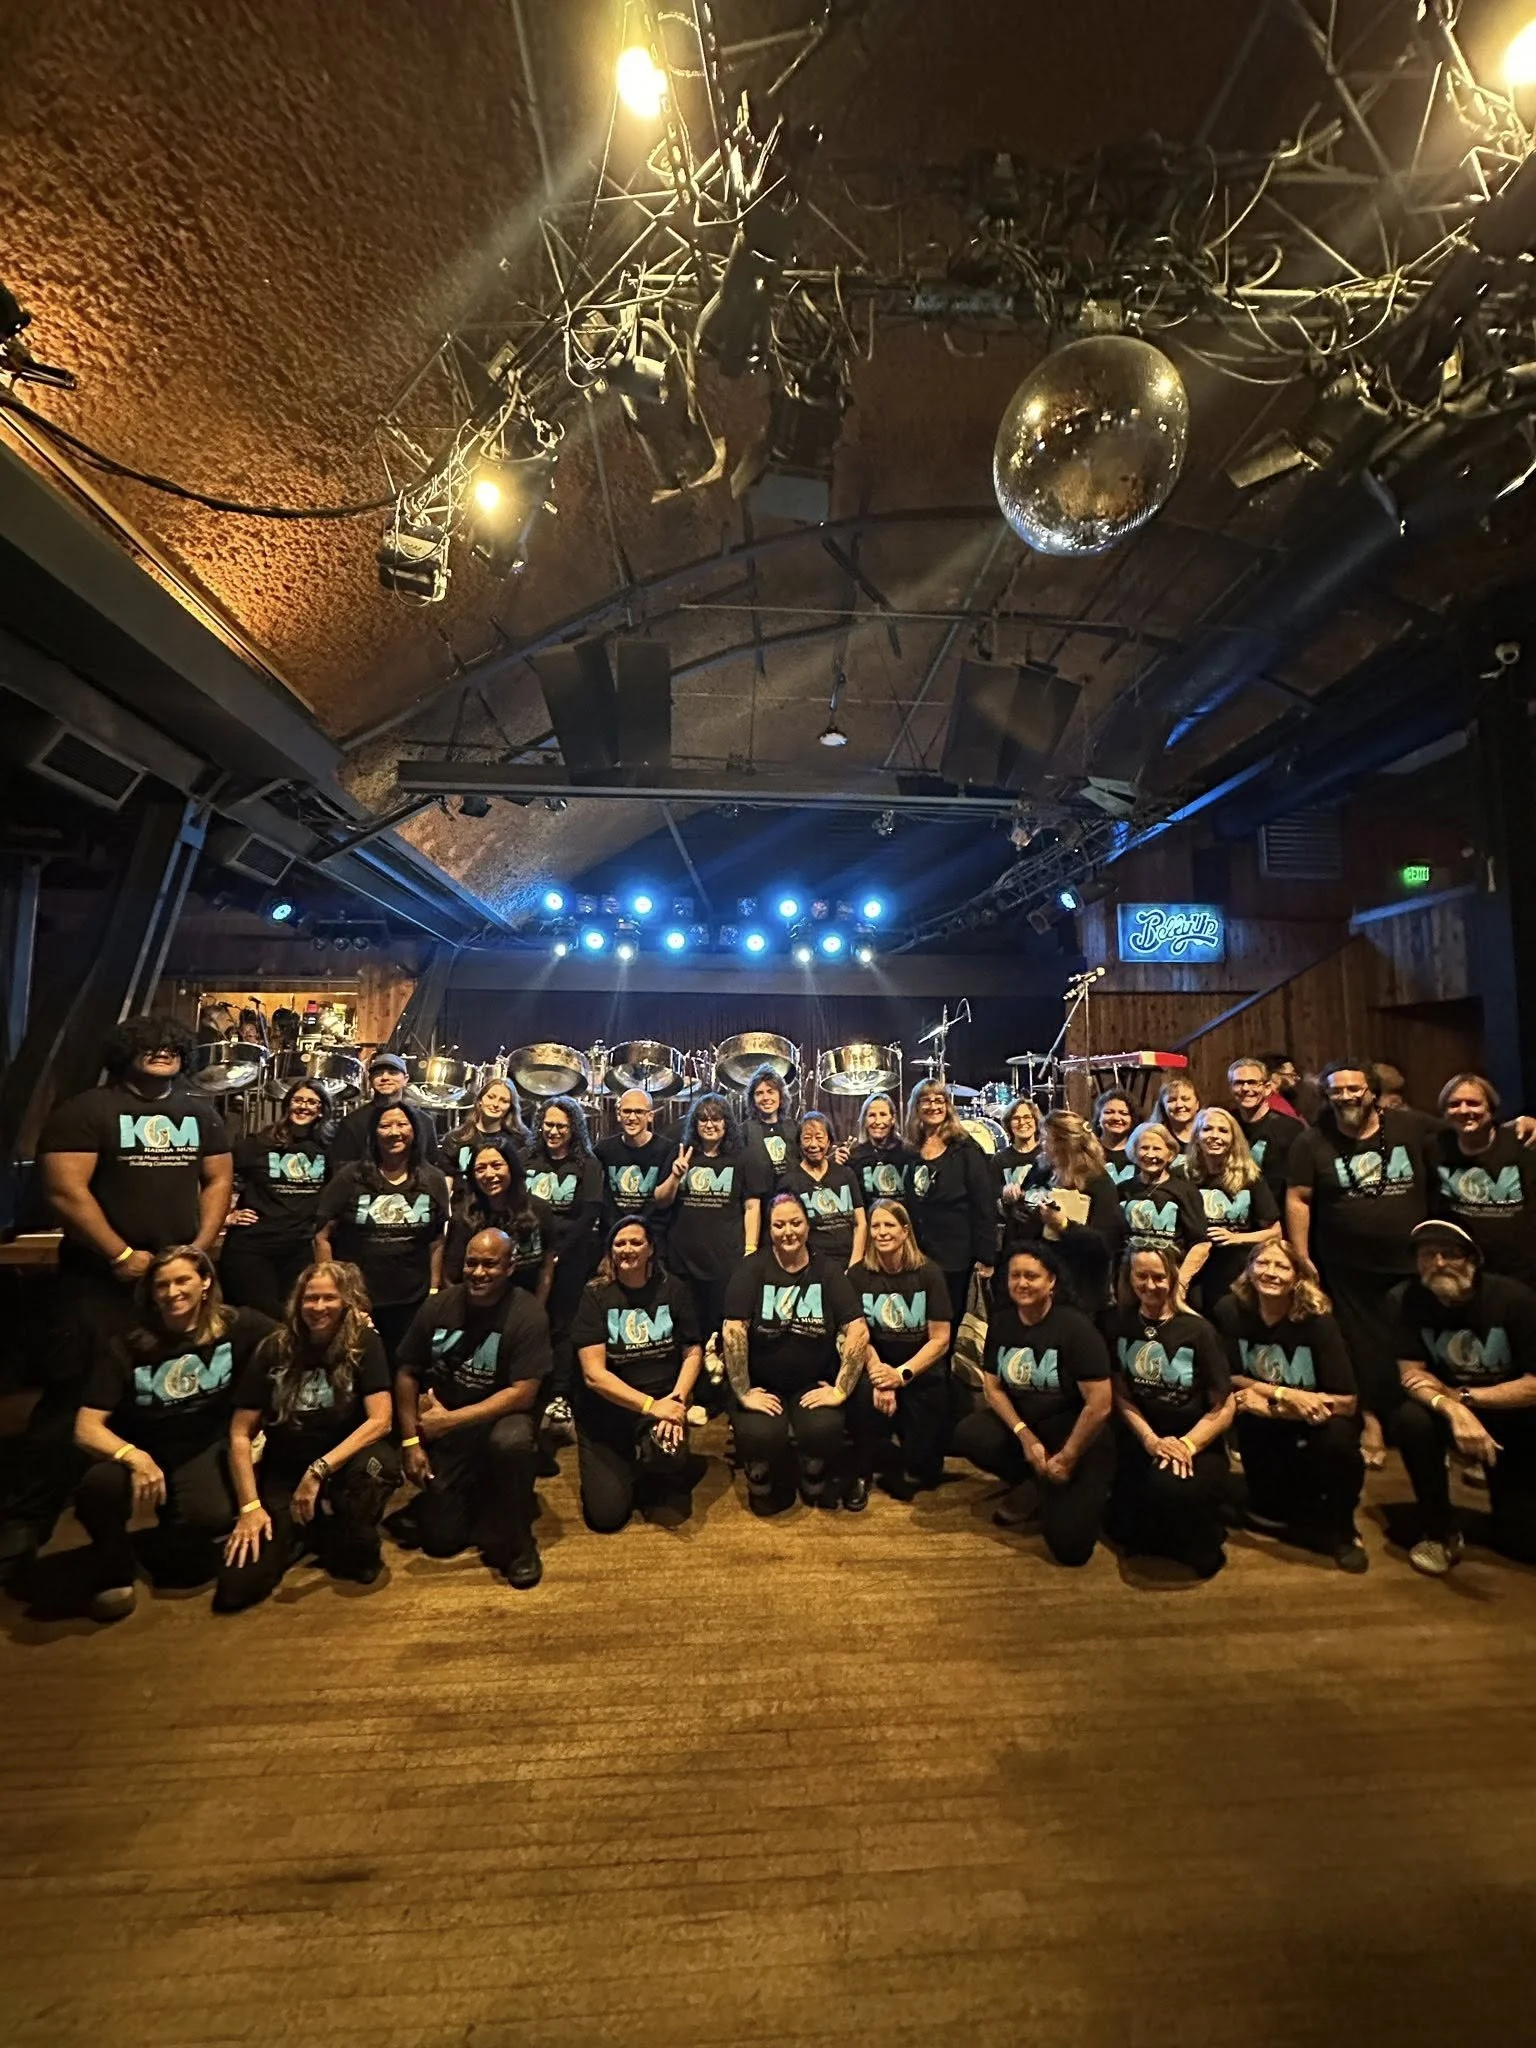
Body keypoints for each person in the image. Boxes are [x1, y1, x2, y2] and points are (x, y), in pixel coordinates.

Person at [0, 1013, 234, 1584]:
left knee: (182, 1378)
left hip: (178, 1276)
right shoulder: (88, 1110)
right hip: (102, 1279)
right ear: (124, 1052)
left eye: (172, 1046)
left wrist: (198, 1252)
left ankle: (169, 1497)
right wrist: (119, 1255)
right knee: (77, 1389)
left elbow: (218, 1182)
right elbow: (64, 1189)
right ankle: (26, 1519)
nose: (161, 1053)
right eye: (149, 1046)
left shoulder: (200, 1113)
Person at [71, 1247, 272, 1620]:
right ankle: (114, 1565)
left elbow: (293, 1337)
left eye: (183, 1280)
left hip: (202, 1447)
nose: (172, 1292)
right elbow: (86, 1427)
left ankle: (170, 1524)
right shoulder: (127, 1344)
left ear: (206, 1282)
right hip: (140, 1447)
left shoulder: (237, 1324)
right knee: (98, 1488)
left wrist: (354, 1321)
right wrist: (134, 1457)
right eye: (161, 1285)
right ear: (150, 1293)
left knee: (206, 1523)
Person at [216, 1261, 396, 1609]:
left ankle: (350, 1534)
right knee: (236, 1588)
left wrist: (319, 1470)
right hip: (286, 1471)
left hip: (344, 1463)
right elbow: (240, 1434)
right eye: (310, 1298)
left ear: (346, 1301)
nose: (318, 1307)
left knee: (378, 1470)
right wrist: (250, 1507)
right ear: (297, 1303)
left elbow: (381, 1421)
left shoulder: (363, 1342)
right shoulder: (274, 1349)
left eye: (329, 1298)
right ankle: (308, 1530)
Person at [1285, 1059, 1438, 1464]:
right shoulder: (1313, 1141)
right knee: (1361, 1348)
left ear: (1372, 1092)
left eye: (1355, 1089)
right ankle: (1371, 1420)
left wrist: (1522, 1124)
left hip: (1413, 1265)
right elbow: (1299, 1198)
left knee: (1420, 1345)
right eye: (1337, 1090)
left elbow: (1466, 1135)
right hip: (1346, 1268)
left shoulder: (1410, 1127)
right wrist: (1300, 1255)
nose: (1347, 1096)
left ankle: (1432, 1425)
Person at [394, 1228, 552, 1588]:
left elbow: (523, 1393)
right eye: (472, 1263)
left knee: (510, 1442)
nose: (478, 1272)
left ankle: (519, 1543)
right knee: (441, 1541)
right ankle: (478, 1494)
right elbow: (406, 1372)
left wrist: (448, 1421)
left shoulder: (527, 1313)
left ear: (510, 1267)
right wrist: (410, 1443)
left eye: (490, 1264)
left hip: (501, 1420)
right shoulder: (439, 1306)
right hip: (450, 1427)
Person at [952, 1243, 1115, 1565]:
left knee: (1071, 1551)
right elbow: (993, 1387)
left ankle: (1063, 1489)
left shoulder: (1075, 1327)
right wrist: (1025, 1435)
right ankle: (1036, 1482)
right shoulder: (1003, 1322)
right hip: (1031, 1428)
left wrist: (1067, 1457)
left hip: (1079, 1437)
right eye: (1015, 1276)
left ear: (1051, 1281)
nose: (1022, 1284)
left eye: (1032, 1276)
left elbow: (1100, 1405)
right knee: (971, 1434)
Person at [1392, 1219, 1536, 1576]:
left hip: (1516, 1413)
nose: (1438, 1263)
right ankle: (1439, 1528)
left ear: (1473, 1259)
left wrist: (1468, 1399)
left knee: (1523, 1541)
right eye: (1428, 1255)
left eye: (1450, 1254)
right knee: (1411, 1420)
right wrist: (1454, 1410)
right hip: (1450, 1408)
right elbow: (1411, 1373)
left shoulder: (1516, 1300)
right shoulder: (1406, 1300)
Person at [1212, 1241, 1366, 1571]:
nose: (1270, 1272)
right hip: (1262, 1410)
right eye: (1262, 1263)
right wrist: (1284, 1394)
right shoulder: (1230, 1309)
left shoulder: (1318, 1321)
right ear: (1249, 1270)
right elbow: (1230, 1375)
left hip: (1315, 1417)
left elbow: (1347, 1401)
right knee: (1240, 1411)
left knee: (1339, 1438)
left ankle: (1343, 1530)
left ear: (1297, 1276)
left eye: (1281, 1266)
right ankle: (1264, 1503)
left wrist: (1280, 1405)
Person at [722, 1191, 869, 1514]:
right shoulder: (752, 1269)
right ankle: (759, 1470)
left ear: (808, 1226)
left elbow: (857, 1329)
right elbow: (733, 1330)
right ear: (769, 1230)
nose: (788, 1231)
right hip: (762, 1383)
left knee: (824, 1428)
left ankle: (811, 1464)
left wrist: (841, 1389)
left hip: (811, 1382)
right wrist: (744, 1392)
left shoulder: (828, 1271)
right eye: (779, 1225)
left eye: (795, 1222)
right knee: (761, 1434)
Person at [1106, 1246, 1234, 1579]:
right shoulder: (1118, 1323)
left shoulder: (1198, 1330)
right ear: (1129, 1278)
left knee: (1173, 1488)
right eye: (1141, 1276)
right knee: (1121, 1528)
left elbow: (1225, 1405)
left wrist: (1187, 1446)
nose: (1150, 1285)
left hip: (1194, 1437)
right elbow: (1120, 1394)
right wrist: (1149, 1439)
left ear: (1173, 1278)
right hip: (1141, 1434)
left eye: (1159, 1277)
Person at [573, 1218, 704, 1532]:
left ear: (651, 1249)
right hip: (607, 1413)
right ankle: (623, 1464)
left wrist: (675, 1403)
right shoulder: (595, 1296)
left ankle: (653, 1461)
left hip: (661, 1403)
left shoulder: (673, 1289)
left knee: (668, 1459)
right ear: (610, 1251)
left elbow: (692, 1351)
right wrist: (650, 1406)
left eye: (635, 1242)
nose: (627, 1249)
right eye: (619, 1243)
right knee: (607, 1516)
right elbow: (593, 1375)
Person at [312, 1100, 451, 1360]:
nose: (394, 1132)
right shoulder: (350, 1176)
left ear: (415, 1131)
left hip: (411, 1299)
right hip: (357, 1299)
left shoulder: (433, 1179)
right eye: (385, 1125)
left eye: (401, 1124)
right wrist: (331, 1288)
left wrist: (433, 1289)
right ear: (374, 1134)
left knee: (404, 1367)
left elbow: (437, 1240)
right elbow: (322, 1236)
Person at [847, 1200, 953, 1501]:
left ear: (905, 1231)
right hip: (874, 1361)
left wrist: (901, 1375)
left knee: (923, 1473)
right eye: (876, 1226)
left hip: (917, 1365)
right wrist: (881, 1376)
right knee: (862, 1394)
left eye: (889, 1225)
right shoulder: (857, 1276)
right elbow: (858, 1334)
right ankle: (862, 1472)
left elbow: (940, 1339)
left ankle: (916, 1458)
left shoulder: (929, 1273)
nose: (882, 1232)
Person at [523, 1095, 605, 1438]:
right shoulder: (526, 1159)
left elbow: (589, 1214)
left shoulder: (588, 1164)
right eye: (549, 1124)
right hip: (528, 1257)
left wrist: (556, 1253)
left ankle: (560, 1394)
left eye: (562, 1126)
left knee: (563, 1326)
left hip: (570, 1259)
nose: (554, 1131)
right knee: (529, 1323)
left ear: (574, 1129)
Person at [221, 1080, 332, 1319]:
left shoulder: (326, 1148)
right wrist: (225, 1217)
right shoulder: (259, 1144)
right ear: (287, 1104)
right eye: (298, 1100)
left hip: (297, 1250)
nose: (304, 1107)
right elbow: (214, 1174)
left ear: (321, 1110)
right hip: (252, 1249)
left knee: (292, 1320)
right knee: (260, 1321)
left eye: (312, 1102)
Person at [663, 1093, 768, 1344]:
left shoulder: (742, 1158)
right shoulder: (682, 1154)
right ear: (695, 1124)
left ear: (727, 1123)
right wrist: (675, 1176)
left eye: (716, 1118)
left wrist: (750, 1250)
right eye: (703, 1119)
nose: (710, 1125)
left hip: (725, 1260)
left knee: (720, 1329)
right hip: (683, 1262)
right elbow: (660, 1200)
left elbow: (752, 1206)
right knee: (687, 1330)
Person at [998, 1111, 1124, 1314]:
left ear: (1064, 1143)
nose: (1042, 1143)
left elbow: (1106, 1244)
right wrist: (1014, 1206)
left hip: (1077, 1288)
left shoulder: (1099, 1183)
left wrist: (1065, 1226)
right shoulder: (1041, 1171)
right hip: (1037, 1282)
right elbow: (1026, 1212)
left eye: (1046, 1138)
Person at [905, 1079, 996, 1337]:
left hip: (956, 1254)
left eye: (939, 1100)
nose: (933, 1106)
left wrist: (986, 1257)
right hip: (921, 1253)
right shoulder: (911, 1149)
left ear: (948, 1106)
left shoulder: (965, 1148)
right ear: (916, 1107)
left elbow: (983, 1203)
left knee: (950, 1322)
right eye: (926, 1100)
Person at [1431, 1073, 1536, 1285]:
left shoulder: (1523, 1144)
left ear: (1491, 1108)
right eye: (1454, 1104)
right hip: (1465, 1273)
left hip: (1522, 1273)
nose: (1464, 1110)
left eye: (1473, 1103)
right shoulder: (1434, 1147)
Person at [1182, 1107, 1281, 1304]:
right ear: (1197, 1137)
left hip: (1236, 1271)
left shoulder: (1250, 1178)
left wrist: (1236, 1238)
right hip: (1194, 1273)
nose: (1215, 1136)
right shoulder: (1182, 1175)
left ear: (1234, 1139)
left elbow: (1275, 1232)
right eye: (1207, 1129)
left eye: (1223, 1130)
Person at [443, 1140, 554, 1300]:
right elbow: (449, 1276)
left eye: (496, 1166)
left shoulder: (539, 1210)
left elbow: (546, 1265)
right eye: (480, 1169)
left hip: (528, 1308)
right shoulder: (463, 1217)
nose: (489, 1174)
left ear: (512, 1168)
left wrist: (538, 1308)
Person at [1118, 1122, 1209, 1297]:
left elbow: (1201, 1243)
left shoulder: (1186, 1191)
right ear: (1134, 1152)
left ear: (1170, 1154)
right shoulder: (1123, 1190)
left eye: (1157, 1149)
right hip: (1132, 1282)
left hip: (1172, 1281)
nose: (1150, 1155)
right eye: (1144, 1148)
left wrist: (1181, 1282)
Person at [780, 1111, 866, 1267]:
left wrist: (855, 1265)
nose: (813, 1144)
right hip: (812, 1266)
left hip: (850, 1263)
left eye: (819, 1138)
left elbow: (860, 1223)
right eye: (807, 1138)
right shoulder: (789, 1182)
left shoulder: (846, 1175)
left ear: (829, 1142)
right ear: (799, 1143)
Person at [595, 1088, 684, 1232]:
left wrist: (676, 1176)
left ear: (650, 1116)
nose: (631, 1117)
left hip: (653, 1235)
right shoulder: (604, 1149)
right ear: (618, 1115)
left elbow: (664, 1202)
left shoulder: (667, 1149)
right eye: (627, 1111)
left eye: (639, 1112)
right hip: (613, 1236)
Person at [328, 1053, 439, 1166]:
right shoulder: (352, 1123)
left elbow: (432, 1165)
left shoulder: (424, 1121)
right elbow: (341, 1169)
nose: (385, 1077)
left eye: (393, 1072)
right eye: (378, 1073)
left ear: (406, 1079)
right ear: (370, 1080)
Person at [1226, 1054, 1301, 1208]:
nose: (1246, 1089)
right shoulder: (1224, 1124)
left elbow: (1299, 1184)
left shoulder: (1290, 1128)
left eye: (1253, 1083)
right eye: (1238, 1083)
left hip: (1277, 1217)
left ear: (1267, 1088)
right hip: (1234, 1215)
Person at [443, 1078, 530, 1185]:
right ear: (479, 1100)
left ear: (510, 1107)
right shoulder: (455, 1138)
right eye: (491, 1097)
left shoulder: (521, 1140)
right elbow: (447, 1177)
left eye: (504, 1101)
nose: (496, 1104)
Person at [843, 1092, 921, 1207]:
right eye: (872, 1115)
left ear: (893, 1119)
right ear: (864, 1120)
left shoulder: (909, 1153)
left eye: (883, 1114)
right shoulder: (854, 1158)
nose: (878, 1121)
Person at [742, 1064, 795, 1180]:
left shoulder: (794, 1127)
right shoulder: (743, 1131)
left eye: (770, 1092)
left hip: (791, 1195)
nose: (766, 1098)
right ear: (753, 1099)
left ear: (780, 1096)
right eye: (759, 1093)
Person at [995, 1098, 1042, 1202]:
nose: (1022, 1122)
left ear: (1036, 1121)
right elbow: (990, 1192)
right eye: (1016, 1118)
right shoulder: (999, 1159)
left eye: (1027, 1117)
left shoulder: (1048, 1155)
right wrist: (1003, 1191)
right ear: (1009, 1124)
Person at [1092, 1089, 1138, 1186]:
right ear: (1098, 1118)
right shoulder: (1088, 1152)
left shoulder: (1139, 1153)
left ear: (1132, 1120)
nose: (1116, 1118)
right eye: (1109, 1112)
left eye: (1124, 1113)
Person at [1153, 1076, 1201, 1153]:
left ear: (1197, 1104)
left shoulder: (1207, 1132)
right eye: (1172, 1100)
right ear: (1163, 1106)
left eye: (1185, 1099)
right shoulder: (1155, 1136)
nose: (1179, 1105)